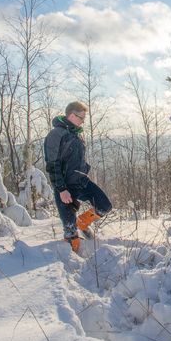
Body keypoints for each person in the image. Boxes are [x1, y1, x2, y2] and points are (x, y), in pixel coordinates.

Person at [43, 101, 112, 252]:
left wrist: (84, 169)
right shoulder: (56, 134)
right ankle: (73, 261)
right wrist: (61, 189)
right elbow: (52, 164)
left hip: (81, 181)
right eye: (81, 118)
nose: (83, 121)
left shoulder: (75, 134)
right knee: (71, 233)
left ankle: (82, 222)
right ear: (71, 115)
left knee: (104, 206)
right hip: (65, 187)